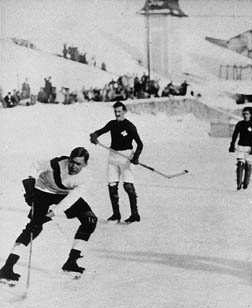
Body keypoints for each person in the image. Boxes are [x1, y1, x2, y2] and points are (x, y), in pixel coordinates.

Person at [0, 147, 97, 283]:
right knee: (34, 228)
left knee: (90, 220)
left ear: (85, 164)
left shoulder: (86, 177)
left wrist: (53, 212)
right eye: (72, 162)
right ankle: (7, 268)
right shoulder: (57, 163)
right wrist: (30, 188)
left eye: (78, 164)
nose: (73, 166)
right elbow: (35, 165)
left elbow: (72, 198)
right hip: (43, 191)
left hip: (63, 194)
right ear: (68, 160)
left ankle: (71, 262)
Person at [90, 101, 144, 223]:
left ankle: (135, 214)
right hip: (113, 156)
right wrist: (94, 135)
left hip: (126, 157)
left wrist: (136, 156)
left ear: (124, 111)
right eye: (115, 112)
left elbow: (140, 144)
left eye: (119, 111)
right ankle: (116, 214)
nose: (117, 114)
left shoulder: (130, 126)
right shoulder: (112, 124)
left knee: (128, 186)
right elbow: (100, 131)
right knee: (112, 186)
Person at [229, 107, 252, 190]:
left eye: (247, 114)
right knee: (240, 164)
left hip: (249, 147)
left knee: (248, 165)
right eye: (244, 114)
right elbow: (235, 135)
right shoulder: (240, 124)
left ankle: (246, 182)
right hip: (241, 147)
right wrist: (232, 145)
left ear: (250, 115)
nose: (245, 116)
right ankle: (238, 183)